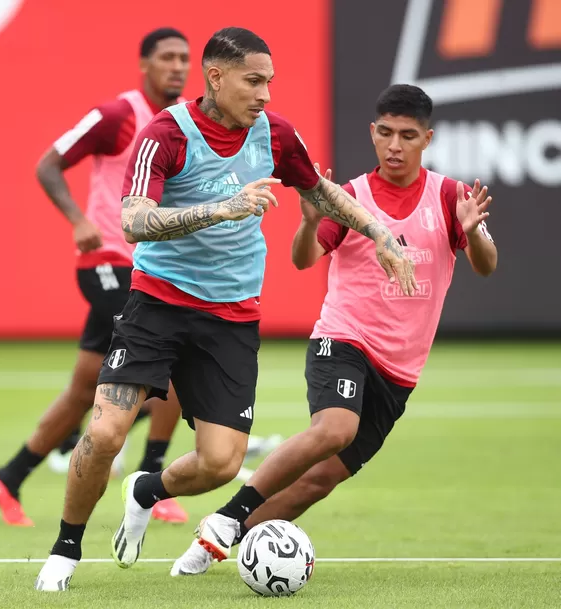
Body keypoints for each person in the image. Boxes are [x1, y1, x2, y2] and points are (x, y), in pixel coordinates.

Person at [34, 26, 414, 592]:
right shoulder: (166, 134)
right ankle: (65, 548)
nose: (265, 94)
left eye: (270, 82)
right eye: (253, 80)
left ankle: (146, 490)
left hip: (231, 316)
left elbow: (320, 193)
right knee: (108, 429)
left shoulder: (276, 134)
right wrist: (222, 208)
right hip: (157, 303)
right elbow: (134, 221)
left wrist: (379, 232)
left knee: (219, 463)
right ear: (216, 76)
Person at [171, 83, 498, 576]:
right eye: (385, 133)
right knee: (335, 429)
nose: (394, 145)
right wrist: (309, 222)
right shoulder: (350, 197)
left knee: (318, 481)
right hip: (343, 339)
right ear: (372, 132)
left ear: (426, 139)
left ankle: (217, 543)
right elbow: (304, 260)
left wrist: (472, 233)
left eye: (407, 135)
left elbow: (488, 266)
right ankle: (226, 518)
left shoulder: (450, 196)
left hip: (400, 370)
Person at [0, 27, 192, 528]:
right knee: (174, 360)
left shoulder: (184, 123)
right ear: (144, 64)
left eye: (185, 57)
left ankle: (8, 477)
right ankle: (152, 480)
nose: (178, 66)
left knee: (83, 390)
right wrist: (78, 221)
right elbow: (49, 164)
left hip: (149, 268)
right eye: (167, 57)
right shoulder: (119, 114)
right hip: (108, 264)